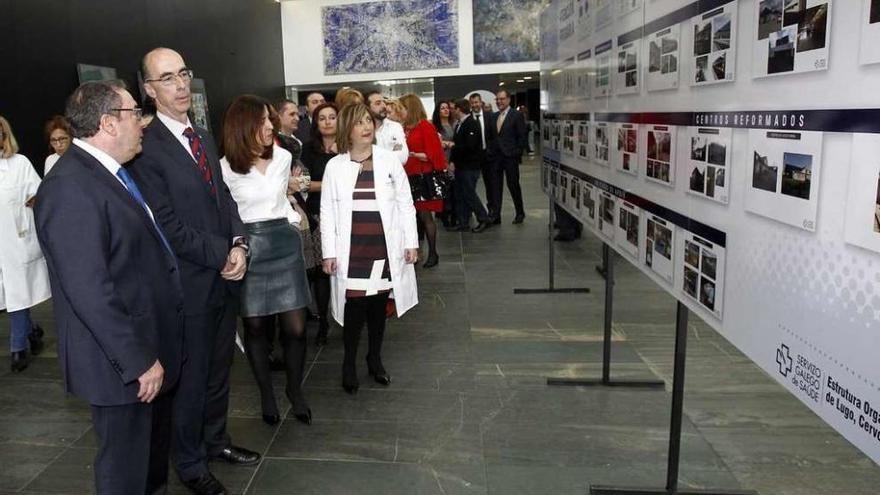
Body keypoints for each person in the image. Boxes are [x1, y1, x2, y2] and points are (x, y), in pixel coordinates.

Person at [34, 80, 184, 494]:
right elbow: (89, 289)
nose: (143, 123)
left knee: (149, 467)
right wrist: (137, 360)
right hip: (121, 365)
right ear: (108, 123)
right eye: (136, 113)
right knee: (125, 471)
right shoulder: (70, 188)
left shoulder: (107, 174)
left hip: (145, 349)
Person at [130, 47, 258, 495]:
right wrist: (222, 254)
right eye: (166, 78)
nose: (180, 84)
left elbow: (224, 200)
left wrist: (239, 243)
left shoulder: (202, 135)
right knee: (191, 378)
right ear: (148, 90)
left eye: (183, 73)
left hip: (224, 278)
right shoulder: (144, 148)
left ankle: (215, 440)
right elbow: (166, 224)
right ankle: (189, 463)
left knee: (220, 370)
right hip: (188, 286)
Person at [220, 95, 313, 427]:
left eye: (270, 120)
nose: (270, 126)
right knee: (256, 326)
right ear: (244, 125)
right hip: (251, 247)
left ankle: (294, 389)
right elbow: (227, 215)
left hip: (284, 245)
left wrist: (290, 218)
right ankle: (266, 394)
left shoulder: (284, 157)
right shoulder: (225, 168)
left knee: (296, 327)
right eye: (263, 121)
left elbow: (283, 197)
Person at [320, 103, 419, 394]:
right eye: (359, 122)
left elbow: (405, 204)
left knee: (377, 307)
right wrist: (329, 252)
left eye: (368, 121)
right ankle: (348, 363)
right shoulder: (334, 166)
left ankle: (374, 359)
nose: (366, 127)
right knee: (353, 309)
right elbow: (326, 212)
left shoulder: (389, 161)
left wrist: (411, 242)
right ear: (346, 130)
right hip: (351, 250)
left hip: (382, 247)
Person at [0, 116, 50, 372]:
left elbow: (38, 192)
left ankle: (17, 349)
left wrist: (32, 201)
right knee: (11, 296)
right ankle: (32, 331)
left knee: (18, 294)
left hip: (16, 242)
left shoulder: (19, 163)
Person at [299, 103, 338, 347]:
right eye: (321, 118)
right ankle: (323, 321)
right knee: (321, 273)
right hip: (315, 216)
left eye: (331, 117)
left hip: (344, 216)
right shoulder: (308, 149)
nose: (326, 122)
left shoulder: (347, 148)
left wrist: (318, 182)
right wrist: (331, 183)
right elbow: (302, 183)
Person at [399, 94, 447, 268]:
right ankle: (418, 252)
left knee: (425, 216)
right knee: (415, 217)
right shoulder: (406, 127)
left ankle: (433, 252)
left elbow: (433, 154)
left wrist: (412, 155)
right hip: (409, 176)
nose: (400, 111)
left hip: (423, 177)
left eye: (403, 108)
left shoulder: (425, 126)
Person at [449, 100, 492, 233]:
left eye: (453, 108)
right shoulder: (459, 124)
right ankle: (463, 222)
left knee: (469, 193)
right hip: (461, 166)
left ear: (459, 109)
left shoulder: (471, 124)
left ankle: (483, 218)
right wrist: (453, 161)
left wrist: (452, 146)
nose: (452, 111)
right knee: (461, 194)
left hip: (470, 166)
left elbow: (470, 146)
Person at [489, 89, 527, 224]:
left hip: (510, 157)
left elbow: (522, 136)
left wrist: (516, 152)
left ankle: (520, 212)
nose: (499, 101)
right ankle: (496, 215)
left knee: (513, 185)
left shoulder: (516, 115)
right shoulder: (493, 116)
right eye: (497, 99)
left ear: (508, 100)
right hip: (496, 158)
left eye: (502, 99)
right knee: (495, 187)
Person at [468, 93, 498, 220]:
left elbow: (494, 137)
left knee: (491, 185)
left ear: (481, 103)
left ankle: (492, 211)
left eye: (477, 102)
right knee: (470, 186)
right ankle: (470, 211)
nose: (475, 105)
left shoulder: (490, 117)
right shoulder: (468, 119)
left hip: (488, 157)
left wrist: (490, 152)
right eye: (473, 103)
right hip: (473, 158)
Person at [431, 100, 457, 228]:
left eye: (447, 108)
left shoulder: (454, 124)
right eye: (442, 108)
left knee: (454, 189)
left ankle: (454, 214)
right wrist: (443, 144)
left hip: (454, 158)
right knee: (445, 188)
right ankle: (445, 215)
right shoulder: (435, 126)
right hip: (442, 159)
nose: (446, 110)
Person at [365, 90, 408, 165]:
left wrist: (377, 158)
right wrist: (391, 153)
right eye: (378, 103)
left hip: (393, 175)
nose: (384, 106)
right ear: (367, 107)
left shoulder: (395, 127)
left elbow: (403, 157)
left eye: (383, 102)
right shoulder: (363, 129)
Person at [274, 98, 303, 163]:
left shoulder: (298, 142)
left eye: (297, 114)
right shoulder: (272, 143)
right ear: (279, 116)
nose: (297, 118)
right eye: (292, 114)